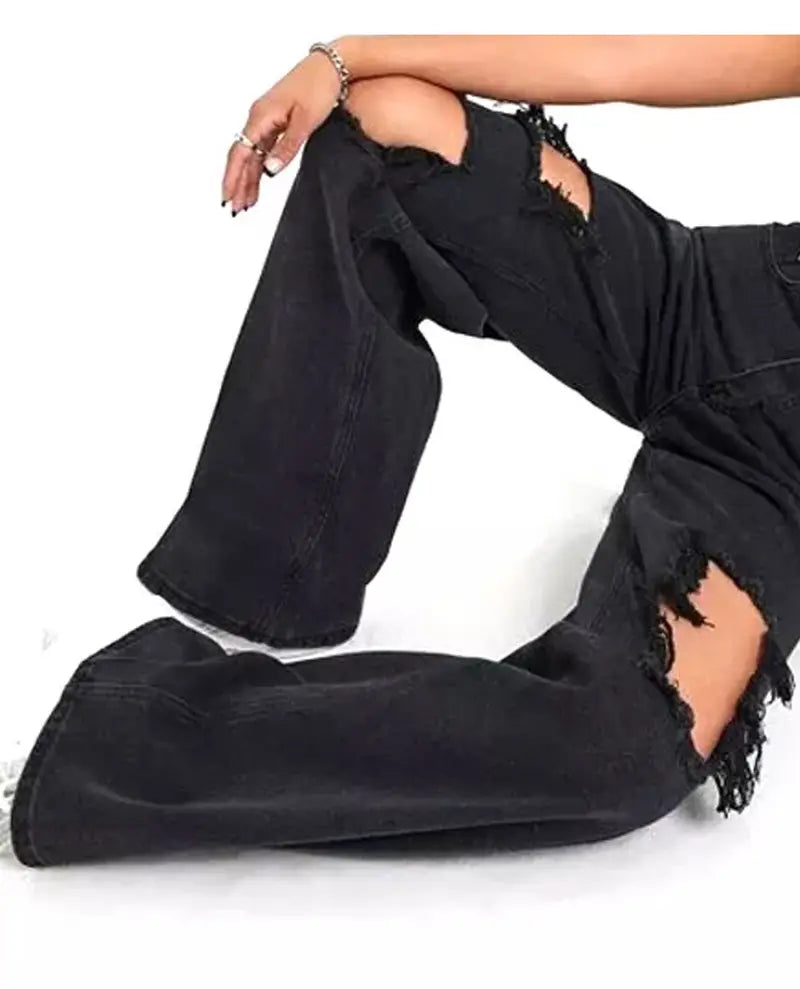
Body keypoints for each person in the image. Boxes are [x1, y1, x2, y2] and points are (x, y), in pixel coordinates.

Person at [3, 36, 800, 866]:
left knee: (621, 749)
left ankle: (102, 732)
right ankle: (266, 583)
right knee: (385, 126)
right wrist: (341, 59)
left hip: (769, 479)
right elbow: (622, 64)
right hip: (703, 307)